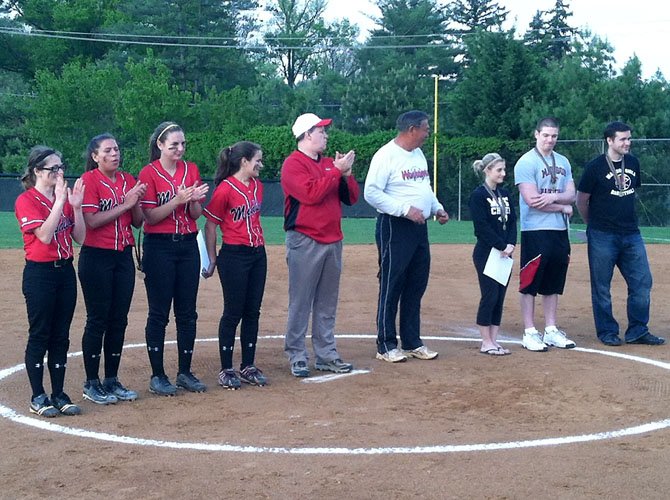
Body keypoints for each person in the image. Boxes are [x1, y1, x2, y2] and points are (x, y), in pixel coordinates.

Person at [364, 110, 449, 363]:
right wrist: (404, 210)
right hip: (394, 226)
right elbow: (371, 193)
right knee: (392, 285)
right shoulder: (386, 155)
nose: (427, 133)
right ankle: (386, 344)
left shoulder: (418, 154)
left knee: (416, 284)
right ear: (412, 130)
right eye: (425, 129)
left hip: (419, 228)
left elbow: (424, 188)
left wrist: (437, 208)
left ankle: (412, 341)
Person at [281, 113, 359, 377]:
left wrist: (345, 174)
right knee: (301, 301)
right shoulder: (293, 165)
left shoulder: (328, 164)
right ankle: (297, 354)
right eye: (321, 131)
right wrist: (336, 172)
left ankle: (326, 354)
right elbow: (311, 195)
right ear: (306, 135)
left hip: (332, 239)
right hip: (305, 239)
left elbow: (351, 198)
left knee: (327, 303)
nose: (325, 135)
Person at [576, 122, 665, 346]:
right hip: (602, 235)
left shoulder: (633, 162)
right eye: (623, 139)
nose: (627, 143)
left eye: (628, 138)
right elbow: (581, 200)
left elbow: (631, 191)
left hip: (631, 234)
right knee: (602, 286)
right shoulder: (594, 167)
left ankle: (637, 330)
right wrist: (592, 225)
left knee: (642, 283)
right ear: (609, 141)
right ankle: (607, 331)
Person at [138, 122, 209, 395]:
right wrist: (178, 200)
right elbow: (150, 218)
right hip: (160, 247)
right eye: (174, 145)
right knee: (159, 312)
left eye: (183, 144)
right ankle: (158, 375)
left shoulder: (190, 169)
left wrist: (193, 201)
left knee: (187, 312)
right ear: (160, 145)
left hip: (188, 245)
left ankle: (185, 372)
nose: (180, 149)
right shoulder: (149, 172)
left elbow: (195, 215)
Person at [15, 146, 85, 417]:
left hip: (64, 271)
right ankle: (38, 395)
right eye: (52, 169)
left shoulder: (64, 198)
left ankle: (59, 392)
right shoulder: (26, 200)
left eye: (60, 167)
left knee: (61, 335)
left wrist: (76, 208)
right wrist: (59, 201)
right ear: (36, 171)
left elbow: (80, 237)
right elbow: (44, 235)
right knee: (40, 334)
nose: (59, 172)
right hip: (40, 274)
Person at [78, 134, 147, 405]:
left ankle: (112, 379)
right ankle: (91, 382)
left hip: (122, 257)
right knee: (98, 319)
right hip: (97, 257)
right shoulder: (89, 181)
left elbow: (138, 222)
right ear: (95, 156)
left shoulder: (128, 180)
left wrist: (138, 200)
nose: (115, 153)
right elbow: (92, 221)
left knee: (119, 319)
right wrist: (126, 204)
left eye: (117, 149)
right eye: (107, 150)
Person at [203, 141, 269, 389]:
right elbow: (210, 225)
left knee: (253, 311)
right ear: (244, 162)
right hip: (234, 256)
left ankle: (248, 365)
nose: (260, 165)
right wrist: (212, 259)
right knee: (233, 312)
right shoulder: (225, 190)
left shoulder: (257, 186)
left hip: (257, 254)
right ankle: (226, 368)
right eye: (257, 160)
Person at [514, 117, 576, 352]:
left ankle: (550, 329)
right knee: (530, 281)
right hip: (535, 230)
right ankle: (530, 331)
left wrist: (553, 197)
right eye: (546, 135)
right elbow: (531, 200)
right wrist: (561, 206)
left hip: (559, 230)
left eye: (554, 136)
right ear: (536, 134)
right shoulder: (526, 162)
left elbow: (571, 193)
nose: (550, 140)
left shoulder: (563, 161)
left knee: (553, 282)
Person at [469, 153, 517, 355]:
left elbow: (513, 221)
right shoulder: (478, 195)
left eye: (504, 170)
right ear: (487, 170)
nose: (503, 174)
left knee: (500, 297)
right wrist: (500, 245)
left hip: (505, 254)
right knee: (490, 295)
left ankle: (494, 341)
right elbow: (481, 227)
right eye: (499, 170)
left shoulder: (505, 194)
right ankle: (485, 341)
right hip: (487, 253)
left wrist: (511, 244)